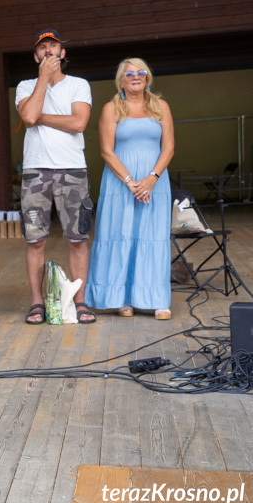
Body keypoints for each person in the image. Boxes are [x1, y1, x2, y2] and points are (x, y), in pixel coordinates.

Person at [15, 29, 96, 325]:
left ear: (62, 53)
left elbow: (78, 123)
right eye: (42, 48)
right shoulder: (26, 86)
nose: (48, 51)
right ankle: (37, 302)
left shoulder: (78, 84)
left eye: (53, 46)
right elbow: (27, 116)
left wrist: (40, 119)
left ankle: (80, 301)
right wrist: (43, 80)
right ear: (36, 56)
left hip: (73, 169)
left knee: (77, 238)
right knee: (35, 239)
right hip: (35, 170)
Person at [85, 58, 174, 319]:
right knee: (121, 236)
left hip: (155, 182)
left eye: (141, 72)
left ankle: (158, 300)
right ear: (121, 81)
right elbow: (106, 151)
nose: (136, 76)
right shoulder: (111, 108)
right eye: (129, 73)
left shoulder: (161, 107)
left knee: (152, 237)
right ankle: (122, 299)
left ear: (147, 77)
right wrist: (131, 182)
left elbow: (168, 147)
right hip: (120, 183)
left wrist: (151, 179)